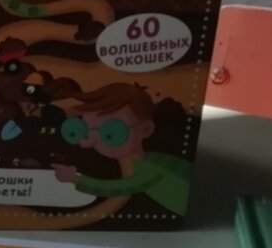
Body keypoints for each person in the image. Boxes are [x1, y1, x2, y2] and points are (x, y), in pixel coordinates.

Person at [51, 82, 190, 215]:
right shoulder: (142, 162)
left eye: (112, 133)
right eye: (84, 130)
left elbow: (122, 187)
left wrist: (75, 179)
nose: (90, 142)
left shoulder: (151, 169)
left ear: (146, 129)